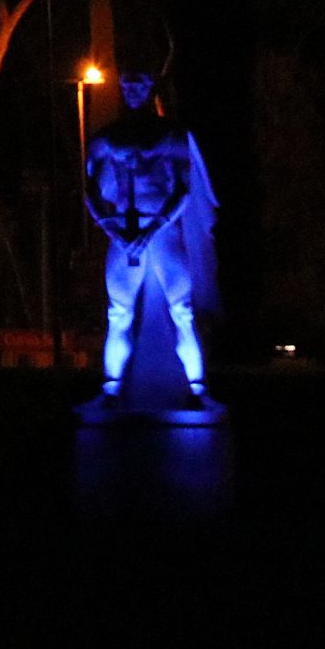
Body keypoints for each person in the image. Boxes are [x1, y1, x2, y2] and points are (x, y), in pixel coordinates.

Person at [83, 71, 220, 409]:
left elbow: (183, 189)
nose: (132, 91)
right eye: (127, 84)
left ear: (150, 88)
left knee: (182, 312)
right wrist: (112, 229)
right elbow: (89, 190)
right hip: (124, 232)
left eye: (140, 84)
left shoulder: (171, 135)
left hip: (161, 232)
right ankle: (111, 389)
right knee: (119, 314)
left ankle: (196, 388)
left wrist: (152, 229)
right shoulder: (106, 137)